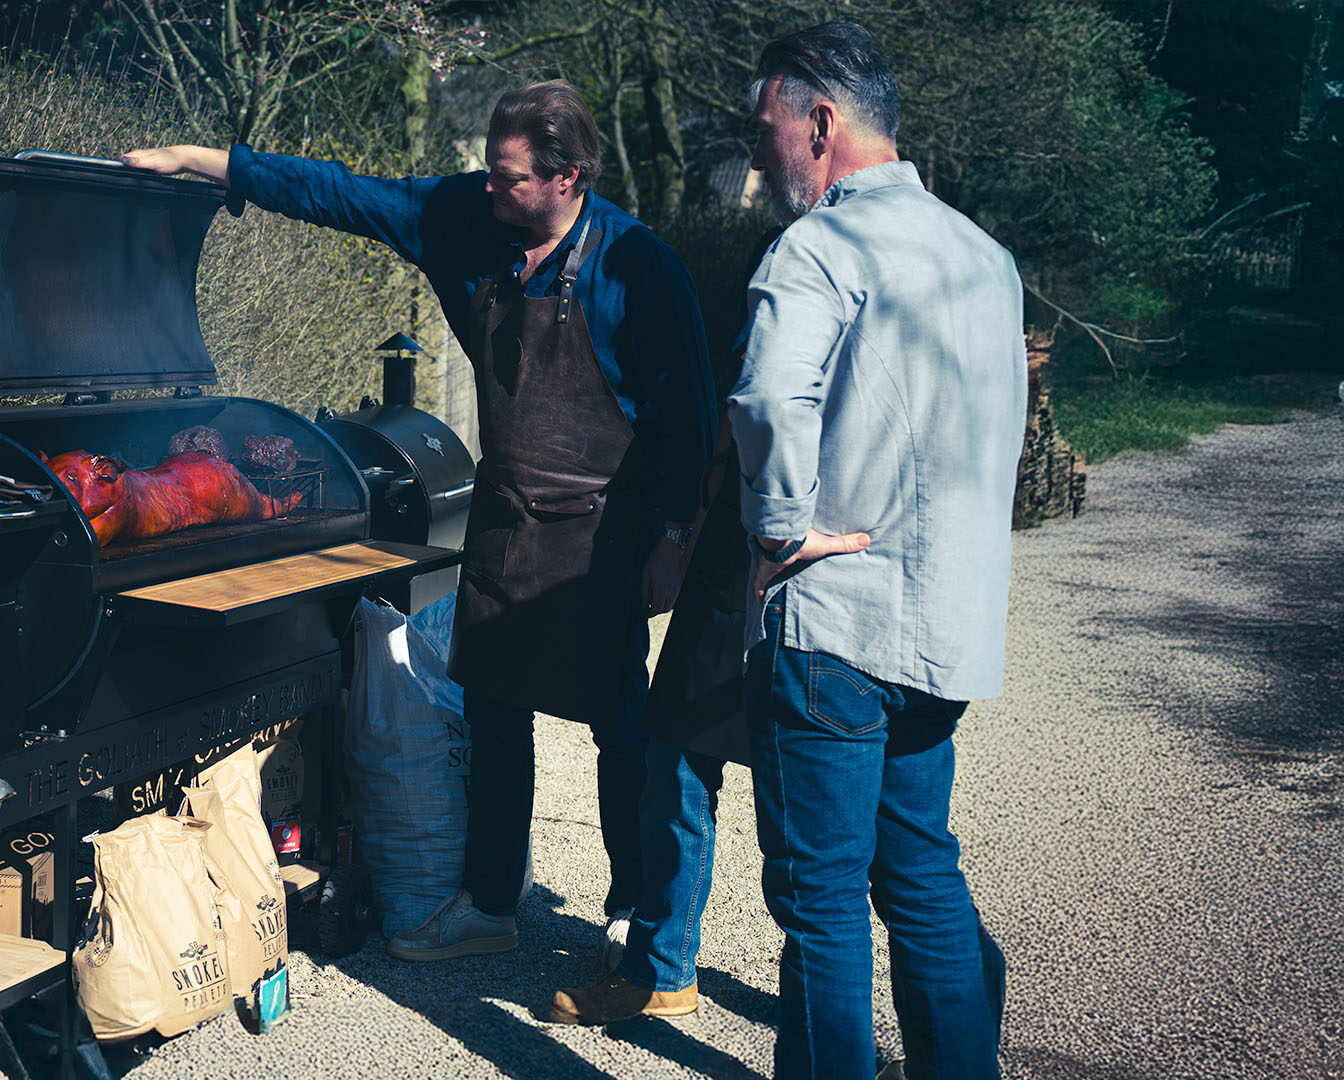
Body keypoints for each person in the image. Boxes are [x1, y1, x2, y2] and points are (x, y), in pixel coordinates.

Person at [122, 79, 715, 964]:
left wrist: (674, 540)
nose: (490, 188)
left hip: (605, 527)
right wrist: (208, 165)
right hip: (510, 514)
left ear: (570, 177)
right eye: (490, 169)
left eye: (510, 178)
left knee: (619, 722)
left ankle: (632, 904)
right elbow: (341, 194)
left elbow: (692, 420)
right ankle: (488, 904)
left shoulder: (639, 268)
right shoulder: (464, 219)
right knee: (493, 709)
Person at [730, 20, 1022, 1079]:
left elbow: (767, 396)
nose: (760, 157)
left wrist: (781, 530)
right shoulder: (986, 261)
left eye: (768, 132)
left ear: (821, 122)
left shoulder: (819, 248)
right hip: (941, 625)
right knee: (922, 881)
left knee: (821, 902)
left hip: (838, 625)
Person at [543, 227, 781, 1026]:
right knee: (678, 763)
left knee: (805, 804)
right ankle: (663, 967)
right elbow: (728, 424)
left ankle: (894, 1018)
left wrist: (690, 537)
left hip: (788, 565)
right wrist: (684, 539)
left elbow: (743, 420)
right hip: (736, 563)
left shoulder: (803, 266)